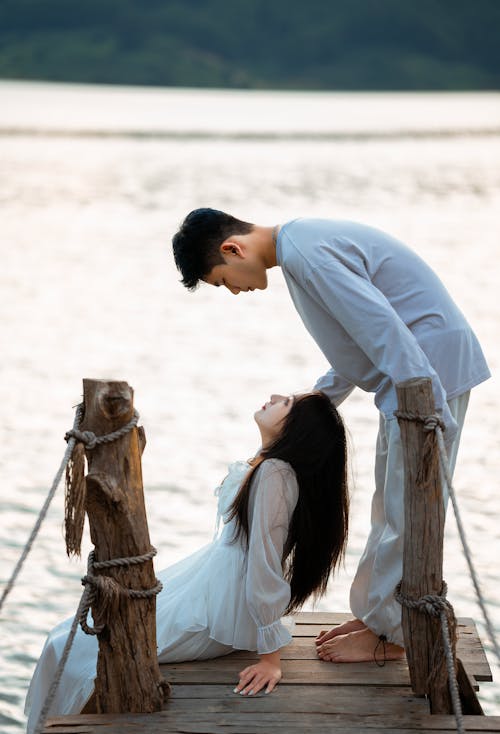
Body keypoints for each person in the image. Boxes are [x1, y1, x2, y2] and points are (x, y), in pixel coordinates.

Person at [172, 208, 491, 663]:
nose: (235, 291)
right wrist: (313, 405)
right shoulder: (301, 250)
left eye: (224, 281)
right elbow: (356, 345)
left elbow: (385, 332)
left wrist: (431, 411)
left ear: (233, 249)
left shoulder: (308, 255)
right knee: (389, 505)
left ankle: (393, 635)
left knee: (406, 508)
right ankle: (377, 618)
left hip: (426, 376)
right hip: (413, 376)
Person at [26, 391, 349, 734]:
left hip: (219, 609)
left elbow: (264, 564)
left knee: (74, 649)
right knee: (65, 636)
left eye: (286, 402)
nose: (274, 396)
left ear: (297, 429)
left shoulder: (275, 474)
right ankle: (46, 733)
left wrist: (270, 657)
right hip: (210, 585)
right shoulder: (268, 465)